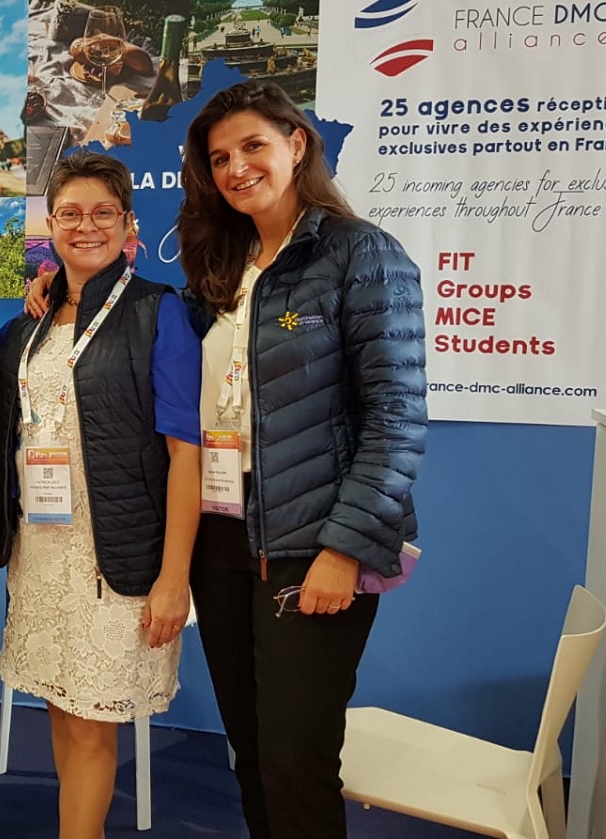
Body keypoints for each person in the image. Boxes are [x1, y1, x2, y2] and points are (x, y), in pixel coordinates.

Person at [179, 79, 427, 838]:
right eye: (220, 157)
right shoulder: (223, 267)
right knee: (251, 751)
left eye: (253, 145)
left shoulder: (362, 254)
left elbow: (397, 419)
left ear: (298, 143)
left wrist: (344, 549)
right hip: (223, 540)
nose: (236, 168)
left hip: (310, 545)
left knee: (297, 758)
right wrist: (58, 295)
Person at [1, 150, 201, 838]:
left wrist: (175, 577)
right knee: (63, 711)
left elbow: (185, 455)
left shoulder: (157, 313)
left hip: (117, 562)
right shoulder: (28, 324)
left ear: (128, 223)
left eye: (102, 212)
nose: (86, 226)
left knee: (92, 727)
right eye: (71, 213)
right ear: (50, 226)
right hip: (42, 555)